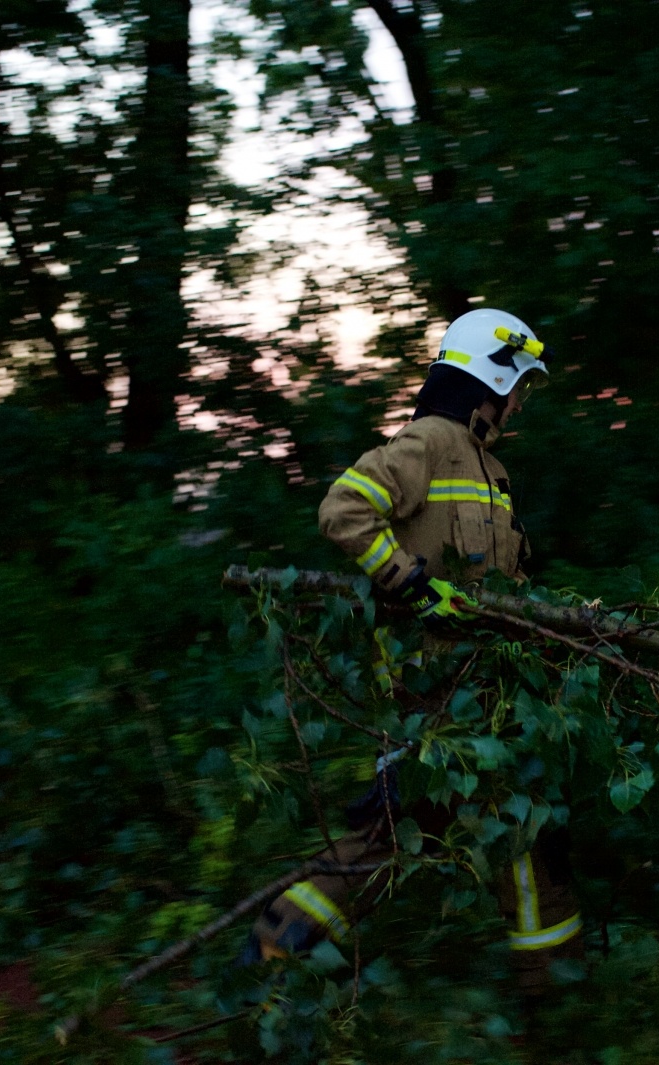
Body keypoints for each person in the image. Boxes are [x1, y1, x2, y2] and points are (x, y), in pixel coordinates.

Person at [243, 308, 583, 993]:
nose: (521, 402)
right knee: (408, 830)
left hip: (482, 687)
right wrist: (408, 581)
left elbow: (500, 585)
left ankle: (552, 981)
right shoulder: (427, 442)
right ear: (491, 375)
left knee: (507, 819)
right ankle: (275, 952)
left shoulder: (491, 468)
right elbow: (343, 509)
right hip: (426, 686)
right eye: (520, 385)